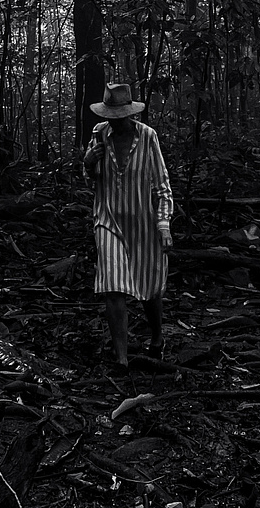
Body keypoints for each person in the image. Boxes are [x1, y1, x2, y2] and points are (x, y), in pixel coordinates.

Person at [82, 80, 173, 374]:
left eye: (120, 117)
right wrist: (88, 163)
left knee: (149, 286)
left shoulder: (148, 137)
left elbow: (162, 186)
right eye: (111, 117)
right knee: (113, 286)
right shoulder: (98, 135)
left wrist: (163, 224)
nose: (115, 122)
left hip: (143, 222)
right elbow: (91, 180)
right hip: (107, 219)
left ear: (130, 115)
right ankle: (121, 357)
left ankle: (157, 338)